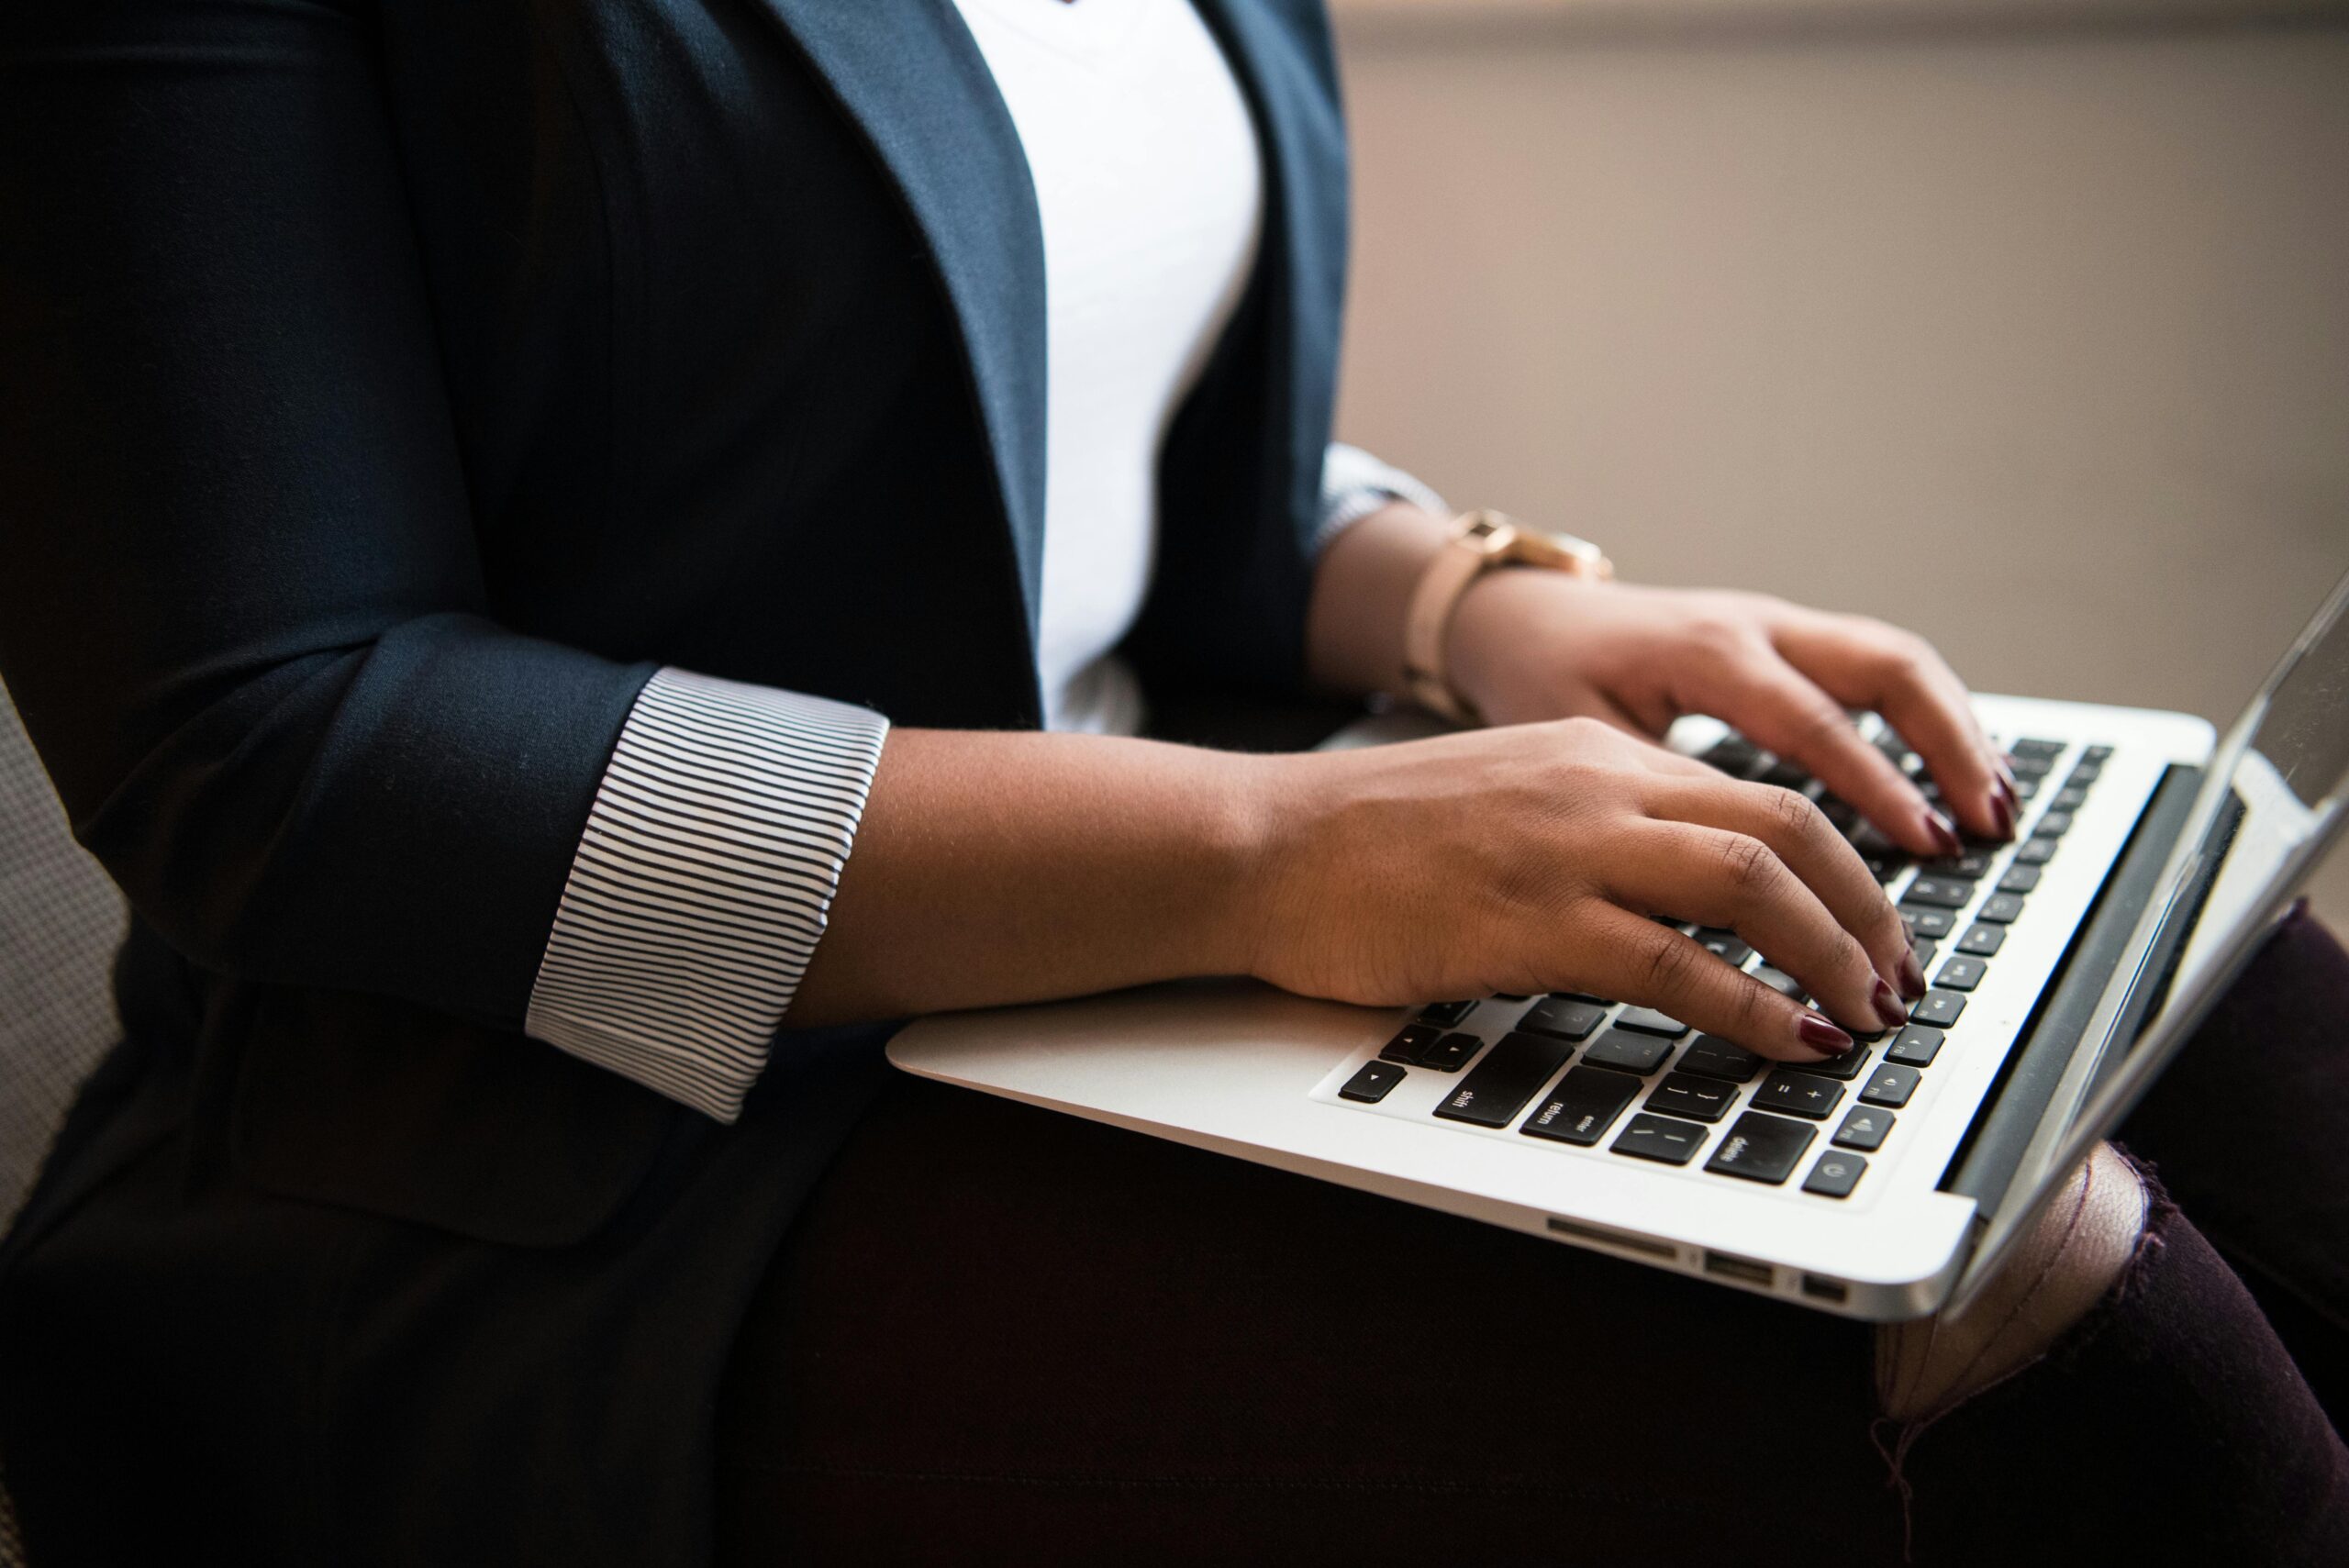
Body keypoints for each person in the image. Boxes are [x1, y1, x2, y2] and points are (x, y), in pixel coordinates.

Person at [0, 0, 2341, 1562]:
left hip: (1155, 965)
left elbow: (1037, 401)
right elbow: (269, 736)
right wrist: (1276, 848)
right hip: (547, 1168)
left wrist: (1472, 604)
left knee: (2203, 995)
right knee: (2044, 1312)